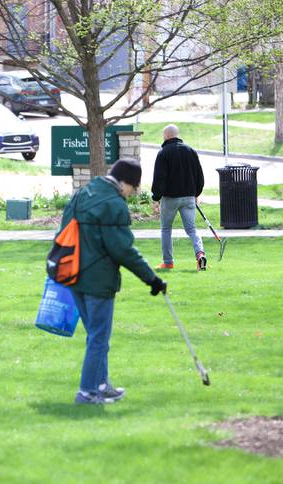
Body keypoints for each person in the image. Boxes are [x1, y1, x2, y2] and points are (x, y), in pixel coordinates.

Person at [57, 158, 167, 405]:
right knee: (98, 338)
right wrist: (151, 279)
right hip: (98, 280)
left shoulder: (84, 192)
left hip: (72, 274)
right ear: (126, 183)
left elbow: (62, 230)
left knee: (95, 336)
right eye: (133, 188)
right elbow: (123, 250)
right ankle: (87, 392)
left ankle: (102, 385)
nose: (132, 193)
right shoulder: (114, 204)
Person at [151, 124, 206, 271]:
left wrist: (156, 197)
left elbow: (159, 178)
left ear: (167, 135)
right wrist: (196, 194)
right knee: (192, 229)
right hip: (189, 197)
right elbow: (200, 177)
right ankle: (200, 254)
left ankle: (168, 262)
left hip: (170, 198)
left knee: (166, 229)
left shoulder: (163, 153)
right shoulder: (191, 151)